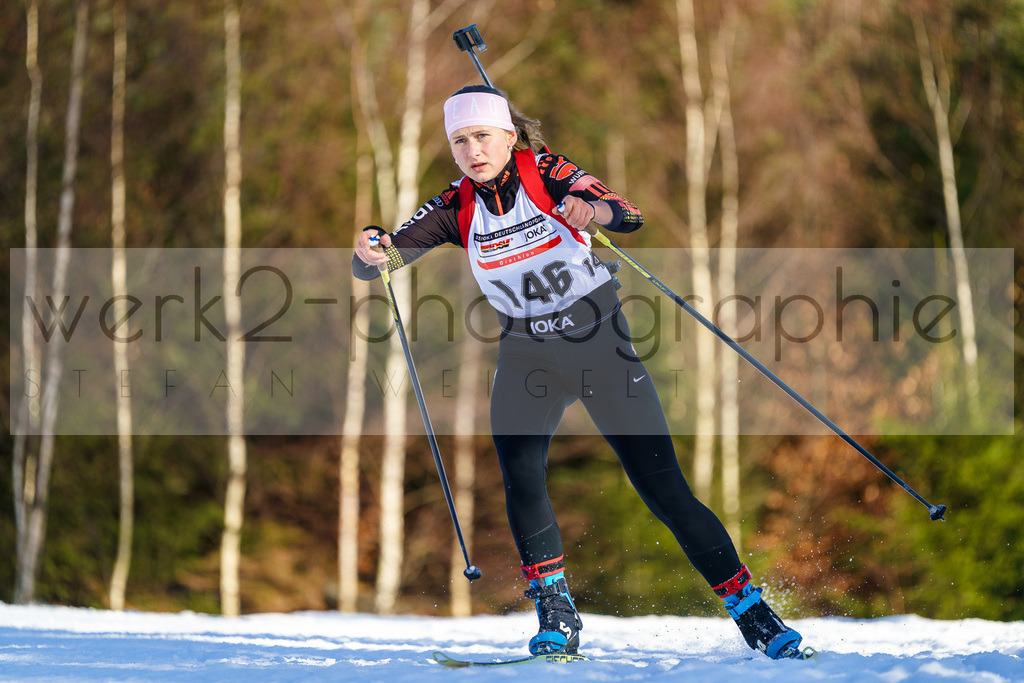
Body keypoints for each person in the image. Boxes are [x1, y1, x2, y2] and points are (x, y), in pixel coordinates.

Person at [353, 85, 806, 660]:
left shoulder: (548, 170)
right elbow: (385, 258)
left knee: (663, 488)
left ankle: (752, 611)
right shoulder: (456, 205)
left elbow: (631, 214)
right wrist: (371, 250)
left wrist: (591, 212)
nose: (472, 150)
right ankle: (556, 614)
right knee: (522, 476)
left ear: (508, 136)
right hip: (526, 352)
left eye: (482, 136)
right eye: (459, 141)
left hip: (597, 342)